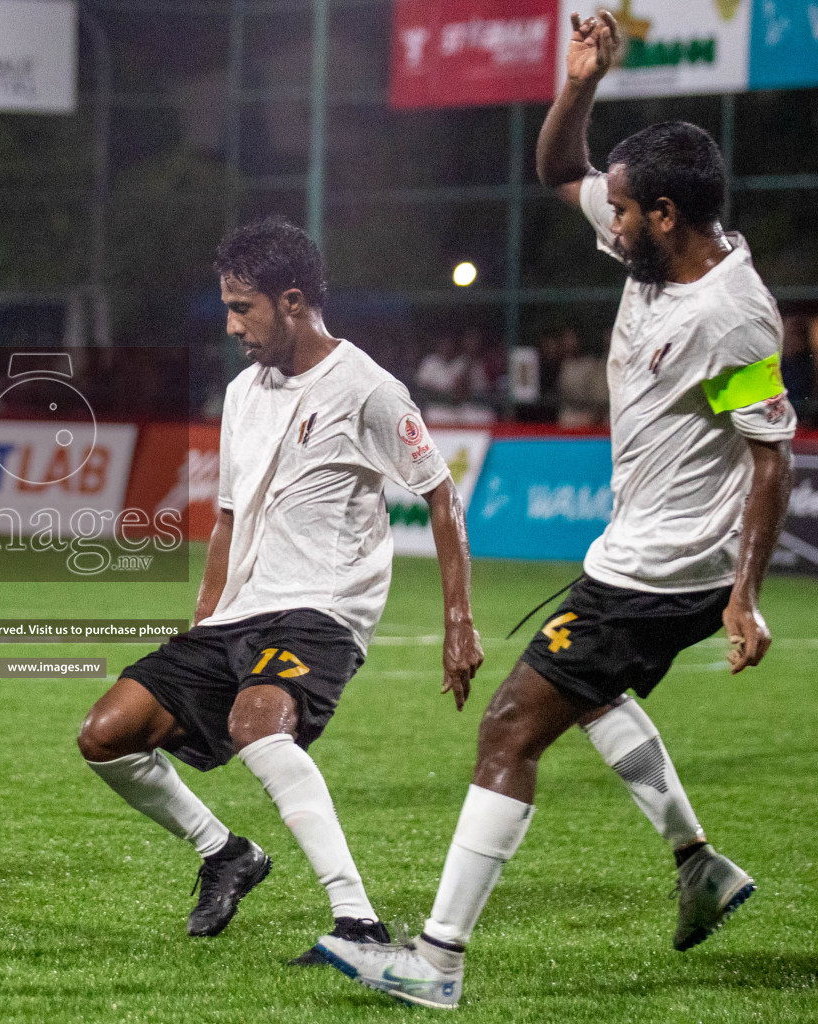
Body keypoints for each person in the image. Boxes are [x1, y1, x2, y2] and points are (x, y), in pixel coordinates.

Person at [314, 12, 795, 1008]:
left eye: (620, 210)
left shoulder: (734, 314)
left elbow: (773, 455)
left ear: (663, 212)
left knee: (508, 729)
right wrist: (580, 82)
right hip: (642, 555)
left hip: (661, 572)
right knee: (592, 695)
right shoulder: (656, 254)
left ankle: (436, 959)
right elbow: (554, 167)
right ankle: (698, 862)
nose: (604, 221)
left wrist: (744, 595)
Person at [76, 217, 484, 963]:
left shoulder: (367, 390)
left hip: (322, 611)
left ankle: (356, 922)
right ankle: (225, 853)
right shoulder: (241, 393)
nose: (232, 325)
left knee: (258, 720)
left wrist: (460, 621)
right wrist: (204, 618)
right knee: (106, 735)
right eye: (228, 307)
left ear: (292, 301)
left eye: (243, 308)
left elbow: (440, 495)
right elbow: (229, 518)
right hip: (241, 612)